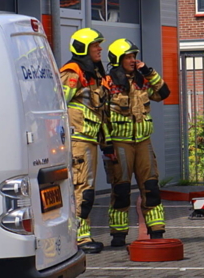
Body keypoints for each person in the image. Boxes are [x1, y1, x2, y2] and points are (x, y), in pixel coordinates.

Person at [101, 39, 171, 246]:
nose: (133, 60)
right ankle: (119, 235)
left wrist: (149, 72)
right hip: (119, 143)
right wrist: (106, 144)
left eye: (134, 56)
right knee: (121, 190)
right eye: (129, 57)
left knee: (151, 186)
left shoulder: (142, 80)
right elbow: (102, 115)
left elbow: (164, 92)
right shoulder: (107, 83)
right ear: (117, 59)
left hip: (143, 142)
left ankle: (156, 230)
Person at [59, 28, 109, 254]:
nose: (100, 48)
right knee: (83, 189)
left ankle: (81, 234)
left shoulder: (94, 73)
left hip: (89, 139)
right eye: (95, 45)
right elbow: (58, 105)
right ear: (82, 48)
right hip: (77, 139)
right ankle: (80, 237)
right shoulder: (73, 72)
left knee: (86, 188)